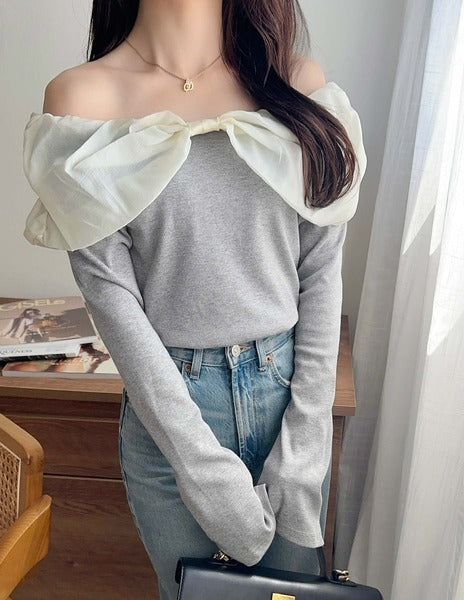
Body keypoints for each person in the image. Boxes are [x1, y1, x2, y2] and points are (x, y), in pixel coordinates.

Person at [21, 1, 367, 597]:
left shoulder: (296, 82)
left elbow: (321, 267)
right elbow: (112, 297)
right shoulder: (82, 98)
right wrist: (199, 466)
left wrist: (306, 440)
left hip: (289, 392)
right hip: (171, 406)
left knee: (293, 597)